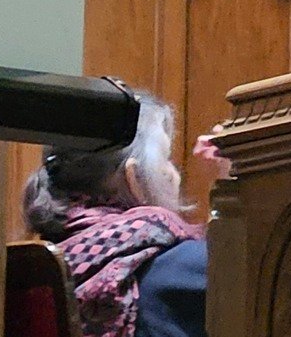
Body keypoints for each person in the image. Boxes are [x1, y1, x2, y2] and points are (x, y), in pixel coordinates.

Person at [22, 91, 207, 337]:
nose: (176, 173)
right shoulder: (190, 268)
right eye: (166, 159)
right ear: (135, 179)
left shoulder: (35, 267)